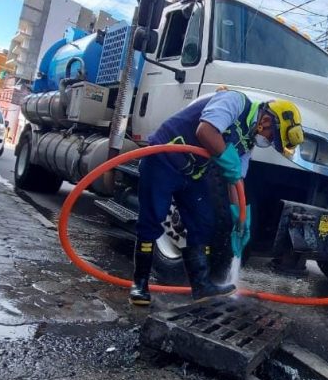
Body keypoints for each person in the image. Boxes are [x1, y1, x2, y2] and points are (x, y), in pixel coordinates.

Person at [129, 90, 304, 306]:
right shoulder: (234, 102)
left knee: (203, 224)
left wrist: (240, 219)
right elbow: (206, 131)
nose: (269, 142)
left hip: (192, 173)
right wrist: (228, 159)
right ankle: (140, 285)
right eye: (272, 137)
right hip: (163, 160)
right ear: (266, 120)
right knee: (151, 222)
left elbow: (236, 180)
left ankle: (202, 286)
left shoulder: (247, 141)